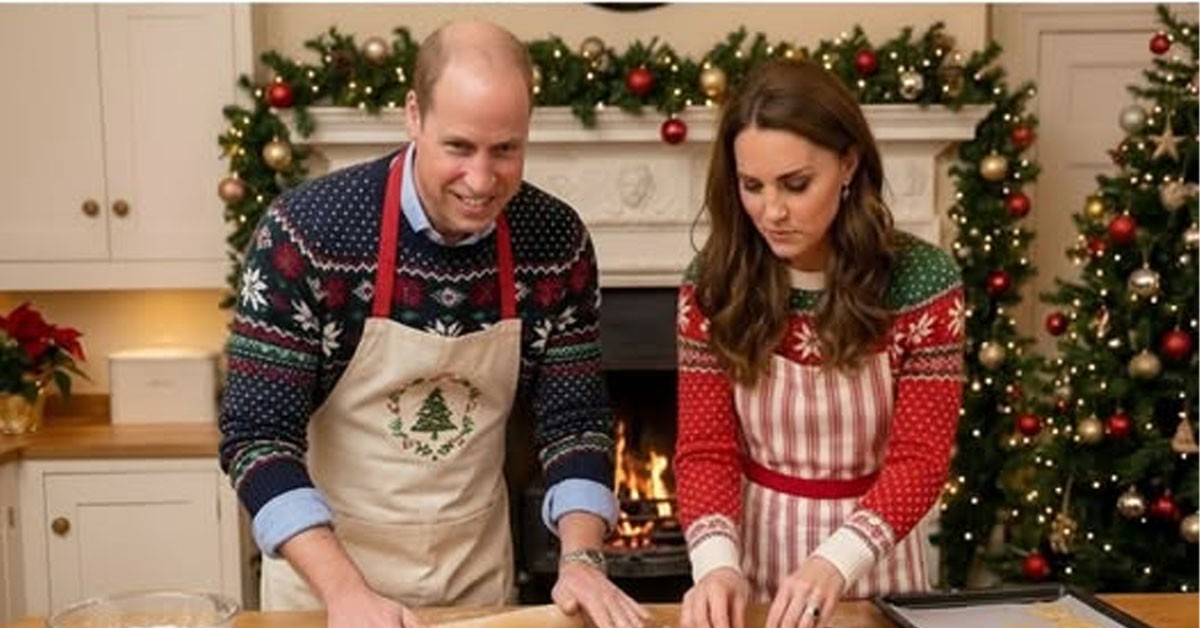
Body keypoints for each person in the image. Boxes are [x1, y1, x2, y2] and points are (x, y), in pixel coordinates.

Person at [218, 20, 648, 628]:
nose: (481, 181)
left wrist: (581, 556)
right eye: (459, 148)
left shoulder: (554, 240)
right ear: (414, 115)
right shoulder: (307, 233)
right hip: (328, 592)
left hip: (475, 586)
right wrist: (345, 594)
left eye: (506, 150)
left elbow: (574, 422)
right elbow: (256, 436)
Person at [674, 59, 965, 628]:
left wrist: (836, 562)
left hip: (876, 570)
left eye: (796, 184)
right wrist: (714, 566)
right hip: (752, 570)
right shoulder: (712, 283)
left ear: (849, 164)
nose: (772, 212)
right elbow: (705, 448)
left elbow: (921, 458)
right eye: (751, 186)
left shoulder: (923, 282)